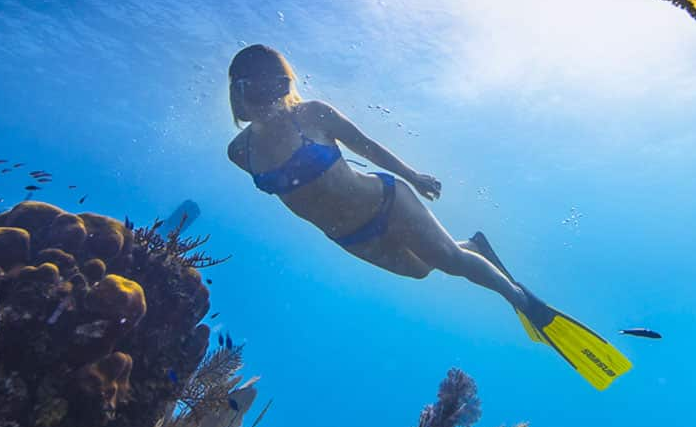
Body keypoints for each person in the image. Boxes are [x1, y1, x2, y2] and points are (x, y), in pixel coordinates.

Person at [225, 44, 630, 390]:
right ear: (240, 94)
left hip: (386, 202)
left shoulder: (312, 114)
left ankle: (522, 300)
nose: (274, 97)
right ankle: (474, 248)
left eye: (281, 85)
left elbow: (364, 146)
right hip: (350, 236)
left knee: (450, 264)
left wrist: (413, 177)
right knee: (422, 270)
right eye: (261, 89)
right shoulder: (239, 153)